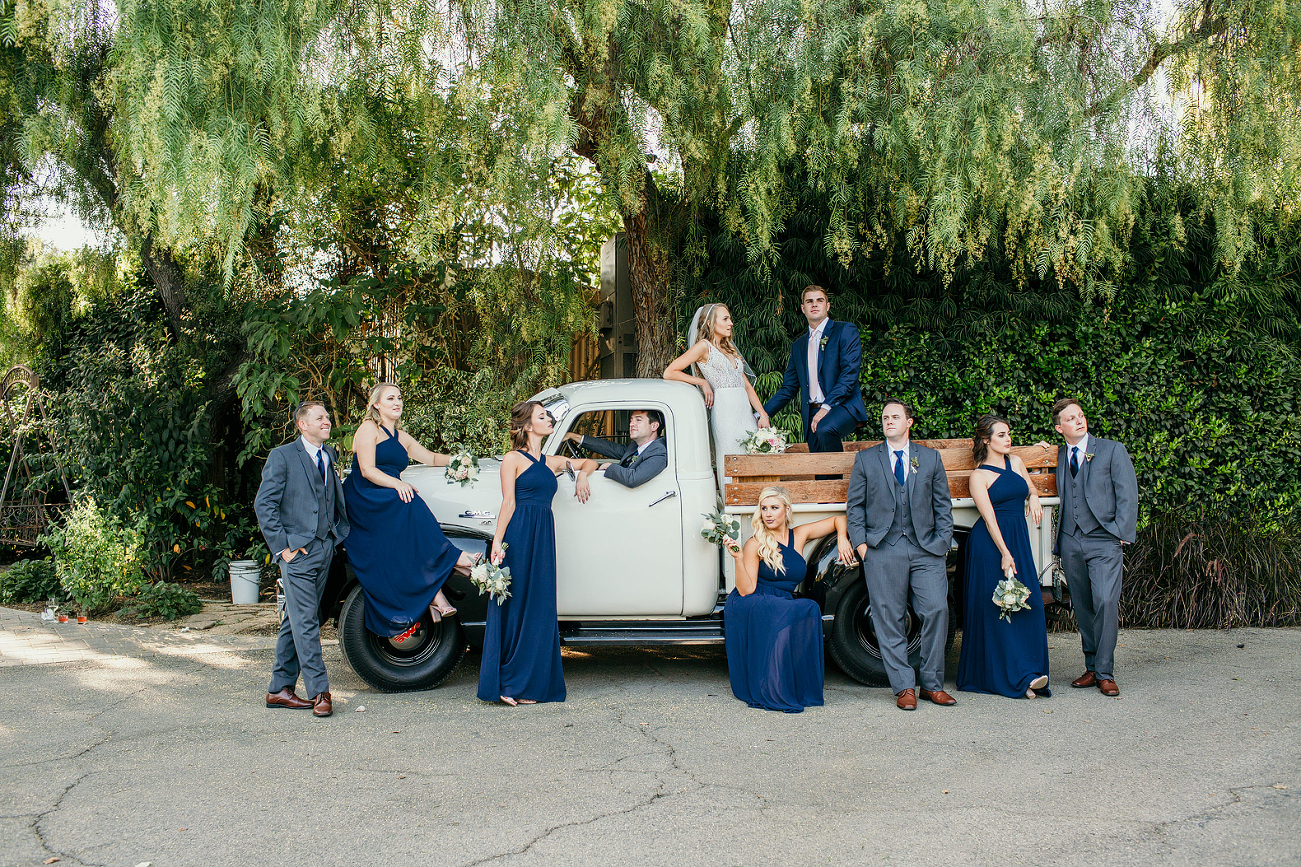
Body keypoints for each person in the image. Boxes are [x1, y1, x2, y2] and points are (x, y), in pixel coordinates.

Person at [478, 400, 597, 706]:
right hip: (518, 535)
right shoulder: (512, 459)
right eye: (542, 416)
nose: (549, 419)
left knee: (538, 607)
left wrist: (582, 475)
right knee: (514, 607)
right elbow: (508, 503)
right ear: (528, 426)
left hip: (543, 536)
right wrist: (497, 545)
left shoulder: (551, 461)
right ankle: (506, 684)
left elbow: (590, 463)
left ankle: (529, 684)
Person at [343, 383, 478, 641]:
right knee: (411, 502)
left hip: (389, 493)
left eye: (399, 398)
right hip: (366, 493)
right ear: (376, 404)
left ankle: (436, 593)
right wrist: (398, 483)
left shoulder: (401, 436)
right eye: (390, 398)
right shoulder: (368, 429)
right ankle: (455, 558)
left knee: (408, 533)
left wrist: (461, 459)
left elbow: (431, 457)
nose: (397, 402)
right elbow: (367, 469)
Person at [845, 399, 955, 710]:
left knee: (936, 610)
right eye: (884, 417)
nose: (888, 421)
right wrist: (864, 548)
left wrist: (941, 542)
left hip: (925, 550)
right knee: (888, 618)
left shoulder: (930, 458)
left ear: (909, 422)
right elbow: (855, 507)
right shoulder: (866, 460)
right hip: (882, 549)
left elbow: (942, 506)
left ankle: (932, 685)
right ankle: (904, 686)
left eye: (895, 416)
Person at [254, 401, 350, 718]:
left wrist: (336, 535)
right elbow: (264, 505)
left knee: (295, 619)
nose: (327, 421)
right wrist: (283, 547)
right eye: (319, 417)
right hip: (298, 554)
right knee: (307, 621)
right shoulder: (282, 457)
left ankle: (279, 689)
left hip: (325, 548)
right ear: (302, 425)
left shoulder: (329, 456)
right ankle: (320, 691)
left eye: (327, 416)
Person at [725, 487, 856, 712]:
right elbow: (746, 589)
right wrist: (738, 559)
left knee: (809, 608)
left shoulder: (799, 535)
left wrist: (843, 539)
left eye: (774, 508)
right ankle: (773, 686)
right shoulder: (755, 543)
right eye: (764, 508)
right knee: (792, 608)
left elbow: (839, 519)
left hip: (781, 601)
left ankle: (797, 685)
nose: (768, 514)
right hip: (753, 600)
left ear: (786, 509)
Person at [956, 415, 1052, 699]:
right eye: (1001, 435)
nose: (1008, 439)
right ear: (986, 440)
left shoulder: (1016, 462)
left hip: (1018, 539)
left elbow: (1027, 486)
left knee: (1025, 603)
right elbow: (988, 519)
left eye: (1009, 434)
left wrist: (1034, 495)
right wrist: (1005, 553)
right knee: (998, 610)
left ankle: (1029, 672)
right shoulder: (979, 476)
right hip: (992, 545)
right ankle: (1011, 678)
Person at [1052, 398, 1138, 697]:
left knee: (1104, 601)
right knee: (1084, 605)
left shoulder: (1112, 449)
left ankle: (1105, 671)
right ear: (1059, 427)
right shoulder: (1060, 454)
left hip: (1104, 539)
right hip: (1070, 540)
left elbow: (1127, 493)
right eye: (1071, 418)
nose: (1079, 420)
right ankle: (1091, 666)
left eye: (1081, 416)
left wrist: (1120, 533)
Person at [663, 303, 769, 488]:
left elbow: (747, 387)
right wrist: (703, 382)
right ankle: (732, 507)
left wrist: (763, 414)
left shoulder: (730, 350)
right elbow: (670, 372)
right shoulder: (703, 347)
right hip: (725, 415)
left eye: (730, 319)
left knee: (750, 460)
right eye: (725, 319)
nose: (731, 323)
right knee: (731, 460)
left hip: (745, 414)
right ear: (710, 323)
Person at [762, 285, 867, 454]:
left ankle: (836, 479)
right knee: (818, 464)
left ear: (828, 305)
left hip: (843, 405)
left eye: (820, 300)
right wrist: (762, 414)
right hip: (811, 411)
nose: (815, 305)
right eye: (809, 301)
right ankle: (828, 480)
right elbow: (788, 388)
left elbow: (849, 375)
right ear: (803, 308)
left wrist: (826, 407)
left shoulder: (845, 331)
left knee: (825, 429)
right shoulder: (798, 346)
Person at [562, 409, 667, 488]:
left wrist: (610, 466)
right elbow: (608, 448)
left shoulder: (658, 451)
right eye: (631, 420)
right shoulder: (635, 447)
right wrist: (574, 436)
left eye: (638, 420)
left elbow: (633, 479)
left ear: (654, 426)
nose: (631, 424)